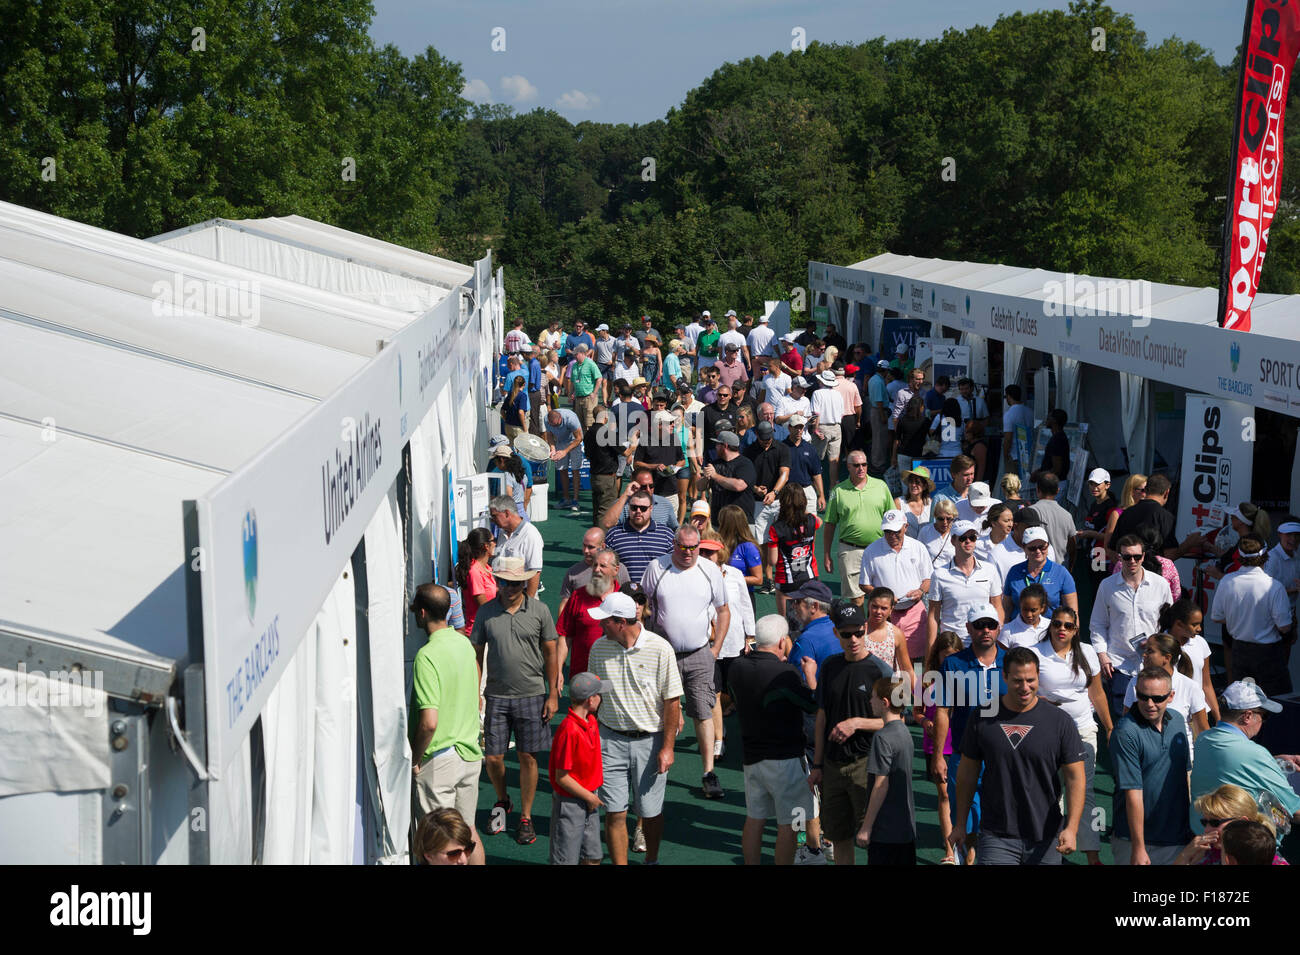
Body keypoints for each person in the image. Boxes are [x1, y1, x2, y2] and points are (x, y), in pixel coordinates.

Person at [951, 646, 1086, 865]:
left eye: (1031, 680)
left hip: (1046, 836)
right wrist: (959, 824)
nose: (1025, 687)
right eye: (1017, 680)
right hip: (997, 835)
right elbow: (967, 774)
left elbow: (1076, 778)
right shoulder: (982, 716)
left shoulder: (1060, 721)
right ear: (1004, 677)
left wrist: (1072, 828)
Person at [586, 591, 684, 865]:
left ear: (620, 622)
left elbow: (672, 701)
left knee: (650, 813)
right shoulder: (599, 648)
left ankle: (650, 860)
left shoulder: (660, 648)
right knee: (615, 811)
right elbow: (598, 692)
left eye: (604, 620)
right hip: (610, 739)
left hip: (650, 743)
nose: (599, 625)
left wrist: (667, 748)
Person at [470, 556, 559, 846]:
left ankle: (526, 816)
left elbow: (550, 652)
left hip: (532, 694)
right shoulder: (486, 613)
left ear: (525, 582)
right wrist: (476, 693)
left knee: (527, 757)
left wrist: (553, 694)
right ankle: (503, 800)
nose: (511, 587)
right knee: (493, 757)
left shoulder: (540, 611)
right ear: (497, 581)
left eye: (516, 582)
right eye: (506, 581)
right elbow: (477, 655)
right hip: (495, 695)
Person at [641, 525, 731, 798]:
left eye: (694, 547)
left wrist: (715, 649)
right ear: (674, 544)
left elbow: (723, 610)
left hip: (699, 653)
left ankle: (708, 772)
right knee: (655, 711)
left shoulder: (709, 570)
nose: (689, 552)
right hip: (662, 654)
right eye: (684, 547)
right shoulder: (657, 567)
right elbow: (643, 606)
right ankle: (651, 768)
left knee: (703, 711)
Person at [727, 614, 819, 865]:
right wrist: (810, 675)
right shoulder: (786, 673)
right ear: (782, 642)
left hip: (751, 759)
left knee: (754, 819)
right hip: (786, 760)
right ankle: (802, 854)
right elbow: (812, 704)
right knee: (791, 823)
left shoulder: (737, 668)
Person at [807, 601, 892, 865]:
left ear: (865, 629)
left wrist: (857, 723)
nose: (853, 639)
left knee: (875, 836)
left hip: (867, 765)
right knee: (839, 836)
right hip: (832, 766)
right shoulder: (830, 666)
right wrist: (818, 764)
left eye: (858, 632)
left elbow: (896, 723)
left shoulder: (882, 670)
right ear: (836, 634)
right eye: (846, 634)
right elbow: (821, 717)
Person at [409, 584, 486, 865]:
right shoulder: (463, 644)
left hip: (439, 760)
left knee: (438, 842)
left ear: (422, 613)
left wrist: (415, 759)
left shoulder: (426, 656)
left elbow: (429, 723)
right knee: (468, 835)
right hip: (470, 752)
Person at [1034, 605, 1112, 864]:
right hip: (1047, 733)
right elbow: (1024, 691)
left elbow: (1097, 693)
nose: (1061, 629)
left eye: (1068, 625)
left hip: (1083, 729)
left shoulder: (1088, 652)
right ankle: (1052, 853)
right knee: (1050, 792)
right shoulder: (1036, 653)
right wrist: (1039, 700)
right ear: (1051, 625)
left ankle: (1092, 856)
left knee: (1085, 792)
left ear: (1076, 629)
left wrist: (1110, 728)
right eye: (1057, 624)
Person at [931, 604, 1008, 863]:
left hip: (1003, 757)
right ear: (968, 628)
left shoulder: (1012, 662)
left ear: (998, 628)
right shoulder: (953, 663)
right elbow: (943, 710)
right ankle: (968, 856)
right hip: (964, 756)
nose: (985, 630)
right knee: (964, 817)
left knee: (1000, 816)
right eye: (979, 625)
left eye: (990, 625)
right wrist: (939, 755)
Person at [1109, 665, 1194, 865]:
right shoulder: (1125, 732)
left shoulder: (1178, 721)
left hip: (1177, 835)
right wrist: (1138, 848)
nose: (1149, 704)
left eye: (1157, 698)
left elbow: (1186, 775)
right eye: (1142, 696)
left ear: (1171, 696)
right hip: (1136, 840)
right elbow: (1133, 793)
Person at [1189, 681, 1300, 832]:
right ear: (1247, 716)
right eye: (1264, 715)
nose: (1263, 722)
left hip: (1202, 841)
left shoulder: (1203, 739)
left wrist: (1274, 761)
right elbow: (1295, 811)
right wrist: (1267, 760)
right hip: (1239, 848)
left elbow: (1231, 766)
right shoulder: (1255, 754)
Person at [1091, 534, 1173, 715]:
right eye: (1127, 557)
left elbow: (1169, 624)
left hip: (1153, 664)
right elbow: (1097, 624)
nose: (1132, 561)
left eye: (1137, 556)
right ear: (1120, 557)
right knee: (1123, 718)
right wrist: (1103, 655)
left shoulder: (1160, 585)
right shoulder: (1107, 586)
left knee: (1153, 715)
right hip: (1119, 664)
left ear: (1144, 556)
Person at [1210, 534, 1295, 694]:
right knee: (1276, 702)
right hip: (1268, 653)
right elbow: (1284, 627)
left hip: (1239, 650)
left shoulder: (1227, 581)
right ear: (1265, 556)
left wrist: (1240, 618)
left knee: (1243, 703)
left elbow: (1217, 617)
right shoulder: (1274, 586)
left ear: (1240, 556)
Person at [548, 672, 610, 866]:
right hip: (571, 803)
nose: (602, 698)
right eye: (599, 695)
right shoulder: (569, 730)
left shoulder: (590, 721)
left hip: (588, 798)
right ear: (590, 700)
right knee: (566, 859)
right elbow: (562, 778)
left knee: (592, 857)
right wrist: (589, 797)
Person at [853, 676, 917, 864]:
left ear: (885, 702)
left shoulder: (882, 737)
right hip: (906, 830)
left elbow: (881, 785)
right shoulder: (905, 732)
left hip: (886, 832)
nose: (870, 701)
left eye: (873, 697)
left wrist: (866, 827)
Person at [701, 537, 754, 760]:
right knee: (713, 693)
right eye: (702, 552)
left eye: (710, 553)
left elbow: (745, 605)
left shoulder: (735, 575)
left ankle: (747, 736)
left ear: (720, 554)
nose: (705, 557)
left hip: (735, 643)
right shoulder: (695, 576)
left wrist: (750, 636)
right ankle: (718, 741)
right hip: (709, 646)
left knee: (739, 692)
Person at [859, 510, 933, 661]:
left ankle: (916, 686)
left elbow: (928, 579)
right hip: (883, 615)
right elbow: (864, 584)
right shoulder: (871, 551)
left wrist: (920, 591)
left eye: (896, 531)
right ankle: (891, 686)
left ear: (906, 527)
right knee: (885, 659)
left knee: (917, 659)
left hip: (914, 612)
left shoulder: (918, 547)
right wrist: (885, 597)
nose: (892, 535)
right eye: (887, 531)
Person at [823, 449, 894, 602]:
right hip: (850, 551)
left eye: (864, 464)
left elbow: (893, 519)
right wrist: (827, 554)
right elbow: (829, 524)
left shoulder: (881, 486)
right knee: (857, 600)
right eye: (856, 465)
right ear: (848, 467)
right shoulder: (838, 491)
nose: (861, 468)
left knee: (882, 599)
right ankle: (860, 627)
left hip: (879, 549)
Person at [926, 520, 1002, 654]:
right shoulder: (939, 574)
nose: (968, 542)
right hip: (953, 645)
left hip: (982, 643)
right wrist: (931, 651)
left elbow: (997, 606)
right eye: (963, 538)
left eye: (972, 538)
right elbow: (933, 615)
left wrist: (995, 636)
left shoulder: (990, 570)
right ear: (953, 540)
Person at [920, 631, 963, 862]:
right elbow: (917, 712)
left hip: (961, 743)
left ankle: (966, 845)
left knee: (962, 796)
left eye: (954, 656)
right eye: (945, 656)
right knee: (945, 796)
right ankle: (950, 851)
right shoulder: (926, 678)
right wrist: (924, 720)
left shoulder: (968, 677)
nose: (950, 661)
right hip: (936, 745)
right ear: (938, 656)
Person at [1121, 634, 1210, 746]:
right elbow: (1126, 723)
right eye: (1143, 696)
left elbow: (1202, 729)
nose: (1144, 654)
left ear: (1167, 658)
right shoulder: (1134, 683)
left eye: (1150, 651)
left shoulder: (1191, 687)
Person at [556, 548, 623, 687]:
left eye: (602, 566)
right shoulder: (578, 596)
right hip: (582, 676)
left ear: (616, 570)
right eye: (595, 565)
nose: (597, 569)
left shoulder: (624, 599)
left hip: (616, 678)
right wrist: (558, 670)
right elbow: (564, 635)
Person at [1176, 784, 1291, 865]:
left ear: (1242, 822)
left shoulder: (1269, 860)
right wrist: (1185, 856)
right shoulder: (1206, 854)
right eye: (1204, 822)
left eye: (1215, 822)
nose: (1207, 830)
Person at [1159, 599, 1220, 724]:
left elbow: (1206, 684)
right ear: (1179, 624)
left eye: (1200, 624)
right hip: (1170, 715)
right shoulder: (1158, 645)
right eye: (1194, 624)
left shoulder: (1201, 643)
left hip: (1199, 713)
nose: (1199, 629)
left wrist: (1218, 716)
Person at [604, 488, 677, 587]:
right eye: (634, 507)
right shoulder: (614, 534)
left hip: (657, 594)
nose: (638, 511)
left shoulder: (666, 534)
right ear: (628, 508)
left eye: (643, 508)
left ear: (651, 508)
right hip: (624, 594)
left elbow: (675, 565)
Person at [1002, 525, 1078, 618]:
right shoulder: (1014, 571)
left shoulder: (1061, 573)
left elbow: (1073, 612)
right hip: (1019, 630)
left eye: (1042, 547)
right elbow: (1006, 608)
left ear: (1048, 546)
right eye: (1032, 548)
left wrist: (1074, 631)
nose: (1038, 551)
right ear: (1024, 548)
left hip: (1050, 630)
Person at [489, 495, 544, 597]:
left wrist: (528, 605)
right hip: (504, 594)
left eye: (494, 516)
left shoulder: (530, 535)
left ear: (506, 513)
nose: (492, 520)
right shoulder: (502, 532)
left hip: (522, 595)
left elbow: (535, 573)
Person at [861, 588, 915, 682]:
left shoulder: (896, 634)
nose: (878, 611)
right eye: (874, 606)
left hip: (889, 689)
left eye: (884, 608)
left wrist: (918, 694)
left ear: (891, 609)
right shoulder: (859, 631)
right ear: (868, 605)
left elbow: (907, 669)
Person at [455, 526, 497, 637]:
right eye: (493, 540)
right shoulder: (474, 571)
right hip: (479, 633)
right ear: (486, 546)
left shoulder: (486, 568)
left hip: (486, 628)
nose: (495, 544)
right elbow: (483, 604)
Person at [703, 431, 756, 516]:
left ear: (725, 446)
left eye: (717, 444)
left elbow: (739, 486)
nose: (715, 447)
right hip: (718, 521)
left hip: (740, 521)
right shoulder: (715, 464)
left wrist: (715, 476)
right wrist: (706, 476)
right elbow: (700, 487)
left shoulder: (745, 464)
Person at [783, 414, 826, 516]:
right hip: (788, 492)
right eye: (796, 427)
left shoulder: (810, 448)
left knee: (811, 525)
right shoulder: (782, 447)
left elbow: (816, 474)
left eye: (801, 427)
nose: (799, 430)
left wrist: (821, 495)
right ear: (789, 428)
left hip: (807, 491)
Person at [810, 368, 845, 488]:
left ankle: (815, 489)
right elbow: (842, 414)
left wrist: (815, 429)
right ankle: (832, 488)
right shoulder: (838, 394)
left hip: (822, 428)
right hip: (836, 428)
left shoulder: (817, 393)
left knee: (815, 460)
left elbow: (816, 414)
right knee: (833, 461)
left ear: (822, 381)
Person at [546, 407, 585, 513]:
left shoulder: (571, 419)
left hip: (574, 441)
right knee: (562, 470)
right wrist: (553, 448)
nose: (555, 427)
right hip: (560, 442)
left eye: (557, 425)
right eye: (552, 425)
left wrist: (565, 451)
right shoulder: (547, 419)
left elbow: (579, 438)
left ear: (561, 419)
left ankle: (575, 500)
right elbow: (549, 435)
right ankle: (566, 498)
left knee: (575, 470)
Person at [717, 504, 763, 591]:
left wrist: (730, 578)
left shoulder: (748, 547)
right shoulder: (718, 542)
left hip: (742, 596)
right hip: (721, 594)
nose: (719, 523)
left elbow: (758, 579)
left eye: (721, 521)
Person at [1000, 384, 1035, 481]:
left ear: (1009, 396)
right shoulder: (1030, 411)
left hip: (1014, 455)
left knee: (1012, 486)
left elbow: (1008, 438)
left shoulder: (1009, 414)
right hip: (1029, 454)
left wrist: (1006, 455)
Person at [1000, 584, 1051, 649]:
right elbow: (1002, 657)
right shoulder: (1007, 631)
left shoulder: (1050, 626)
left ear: (1042, 608)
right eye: (1025, 609)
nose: (1028, 615)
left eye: (1033, 610)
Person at [487, 445, 531, 517]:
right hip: (522, 514)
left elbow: (508, 500)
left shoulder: (507, 476)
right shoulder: (522, 475)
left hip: (511, 515)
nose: (495, 463)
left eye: (495, 460)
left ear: (501, 460)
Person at [932, 454, 977, 521]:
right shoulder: (939, 498)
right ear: (953, 475)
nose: (970, 478)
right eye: (966, 475)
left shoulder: (977, 493)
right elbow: (934, 527)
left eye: (972, 474)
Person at [568, 344, 604, 430]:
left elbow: (599, 378)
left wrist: (594, 393)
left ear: (582, 353)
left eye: (576, 354)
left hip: (588, 398)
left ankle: (591, 442)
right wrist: (570, 394)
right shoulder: (574, 365)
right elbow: (573, 381)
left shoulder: (590, 363)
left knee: (589, 423)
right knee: (580, 424)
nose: (574, 356)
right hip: (578, 398)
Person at [1030, 408, 1070, 483]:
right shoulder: (1058, 437)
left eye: (1048, 418)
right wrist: (1039, 471)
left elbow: (1057, 469)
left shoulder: (1057, 439)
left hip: (1055, 485)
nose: (1046, 420)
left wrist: (1038, 476)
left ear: (1054, 421)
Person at [866, 359, 892, 472]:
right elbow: (879, 401)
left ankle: (876, 462)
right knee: (879, 439)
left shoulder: (876, 379)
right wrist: (882, 415)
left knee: (878, 438)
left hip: (878, 410)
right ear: (885, 370)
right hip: (878, 411)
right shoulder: (877, 381)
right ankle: (877, 464)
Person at [896, 465, 933, 537]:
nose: (913, 485)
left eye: (917, 482)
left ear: (925, 486)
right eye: (911, 482)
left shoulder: (931, 504)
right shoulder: (899, 503)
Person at [919, 498, 957, 565]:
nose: (945, 522)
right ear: (935, 517)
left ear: (954, 517)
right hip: (931, 574)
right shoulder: (925, 531)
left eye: (948, 519)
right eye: (941, 519)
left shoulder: (958, 532)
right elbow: (918, 554)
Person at [500, 373, 529, 442]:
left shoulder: (510, 394)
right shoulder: (522, 396)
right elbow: (521, 412)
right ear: (524, 384)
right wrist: (525, 428)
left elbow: (502, 411)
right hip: (518, 428)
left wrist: (506, 420)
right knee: (521, 450)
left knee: (511, 449)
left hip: (508, 426)